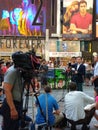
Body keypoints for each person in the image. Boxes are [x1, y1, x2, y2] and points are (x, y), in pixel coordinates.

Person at [0, 55, 24, 130]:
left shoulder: (18, 71)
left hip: (17, 103)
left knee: (15, 126)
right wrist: (12, 109)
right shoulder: (12, 71)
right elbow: (7, 90)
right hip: (11, 105)